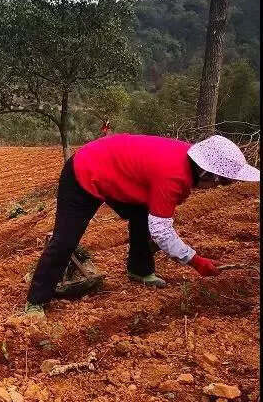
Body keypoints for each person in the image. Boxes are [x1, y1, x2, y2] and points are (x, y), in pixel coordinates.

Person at [25, 134, 260, 318]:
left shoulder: (186, 159)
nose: (222, 187)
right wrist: (195, 261)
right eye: (225, 181)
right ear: (209, 174)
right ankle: (36, 300)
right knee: (65, 239)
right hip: (85, 170)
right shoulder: (173, 176)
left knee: (143, 215)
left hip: (117, 171)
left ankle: (139, 269)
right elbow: (162, 232)